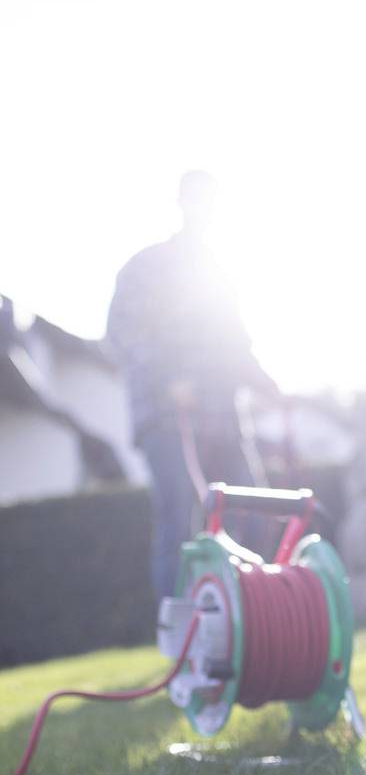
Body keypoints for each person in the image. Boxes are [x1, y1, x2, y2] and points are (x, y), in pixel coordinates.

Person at [106, 171, 279, 598]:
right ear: (182, 204)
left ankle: (254, 613)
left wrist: (267, 385)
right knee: (179, 519)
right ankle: (179, 629)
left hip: (224, 416)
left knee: (256, 511)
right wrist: (167, 383)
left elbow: (235, 344)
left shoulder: (222, 273)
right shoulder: (147, 267)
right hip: (168, 418)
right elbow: (121, 333)